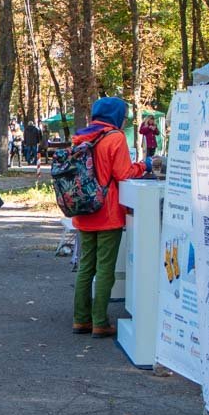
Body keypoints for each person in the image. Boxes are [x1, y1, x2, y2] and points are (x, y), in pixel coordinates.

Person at [70, 98, 147, 338]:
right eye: (123, 116)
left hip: (84, 210)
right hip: (108, 212)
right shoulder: (115, 138)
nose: (124, 121)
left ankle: (80, 319)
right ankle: (100, 322)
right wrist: (143, 166)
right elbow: (124, 173)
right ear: (115, 116)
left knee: (86, 267)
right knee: (105, 268)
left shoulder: (81, 137)